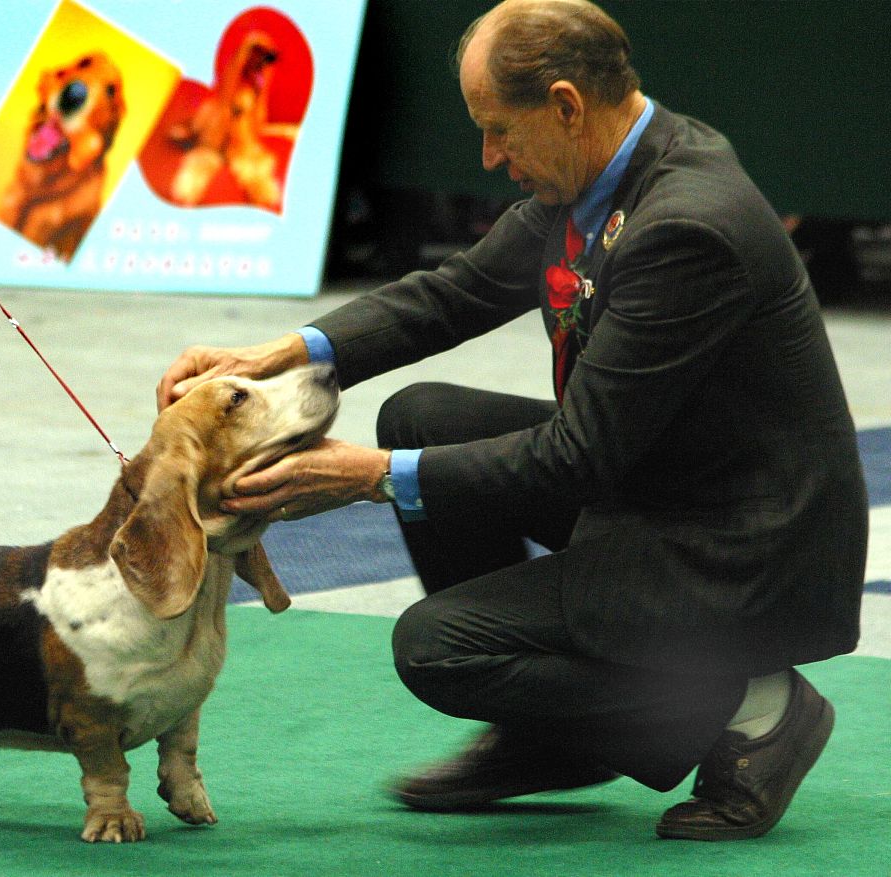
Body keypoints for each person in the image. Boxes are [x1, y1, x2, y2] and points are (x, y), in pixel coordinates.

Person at [157, 0, 867, 842]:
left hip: (744, 549)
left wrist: (365, 478)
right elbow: (455, 291)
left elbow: (575, 459)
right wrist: (271, 355)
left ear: (566, 104)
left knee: (437, 647)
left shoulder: (686, 226)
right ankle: (557, 735)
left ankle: (755, 704)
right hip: (676, 487)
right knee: (421, 418)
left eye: (499, 130)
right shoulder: (613, 162)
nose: (490, 158)